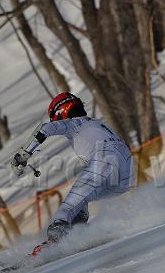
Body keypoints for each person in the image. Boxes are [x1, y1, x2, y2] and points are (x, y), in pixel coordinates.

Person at [11, 92, 133, 255]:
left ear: (61, 112)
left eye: (55, 118)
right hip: (127, 172)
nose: (56, 121)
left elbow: (45, 129)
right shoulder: (97, 123)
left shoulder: (74, 123)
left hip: (105, 160)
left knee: (68, 207)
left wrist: (22, 155)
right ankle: (78, 232)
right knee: (81, 200)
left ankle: (54, 243)